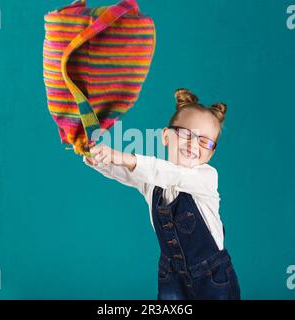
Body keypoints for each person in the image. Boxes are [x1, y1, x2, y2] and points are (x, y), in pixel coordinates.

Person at [82, 88, 241, 300]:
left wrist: (120, 156)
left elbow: (168, 173)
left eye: (204, 141)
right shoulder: (153, 181)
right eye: (186, 134)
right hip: (171, 276)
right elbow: (124, 172)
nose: (194, 144)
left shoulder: (206, 178)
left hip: (211, 278)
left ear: (211, 152)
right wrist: (95, 156)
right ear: (166, 136)